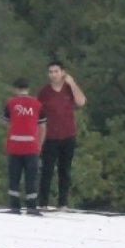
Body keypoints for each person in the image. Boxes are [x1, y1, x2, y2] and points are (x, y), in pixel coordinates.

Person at [37, 61, 87, 209]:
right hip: (50, 136)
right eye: (51, 72)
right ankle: (43, 203)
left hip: (68, 135)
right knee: (47, 170)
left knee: (65, 170)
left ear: (62, 72)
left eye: (56, 71)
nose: (53, 75)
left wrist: (72, 83)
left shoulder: (69, 89)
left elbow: (81, 102)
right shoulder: (44, 92)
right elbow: (37, 114)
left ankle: (63, 203)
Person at [2, 78, 47, 215]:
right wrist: (39, 145)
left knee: (14, 178)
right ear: (28, 89)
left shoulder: (11, 104)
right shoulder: (38, 105)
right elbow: (43, 127)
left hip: (14, 146)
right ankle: (32, 207)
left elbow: (5, 123)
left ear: (15, 89)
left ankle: (15, 207)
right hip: (31, 147)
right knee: (31, 178)